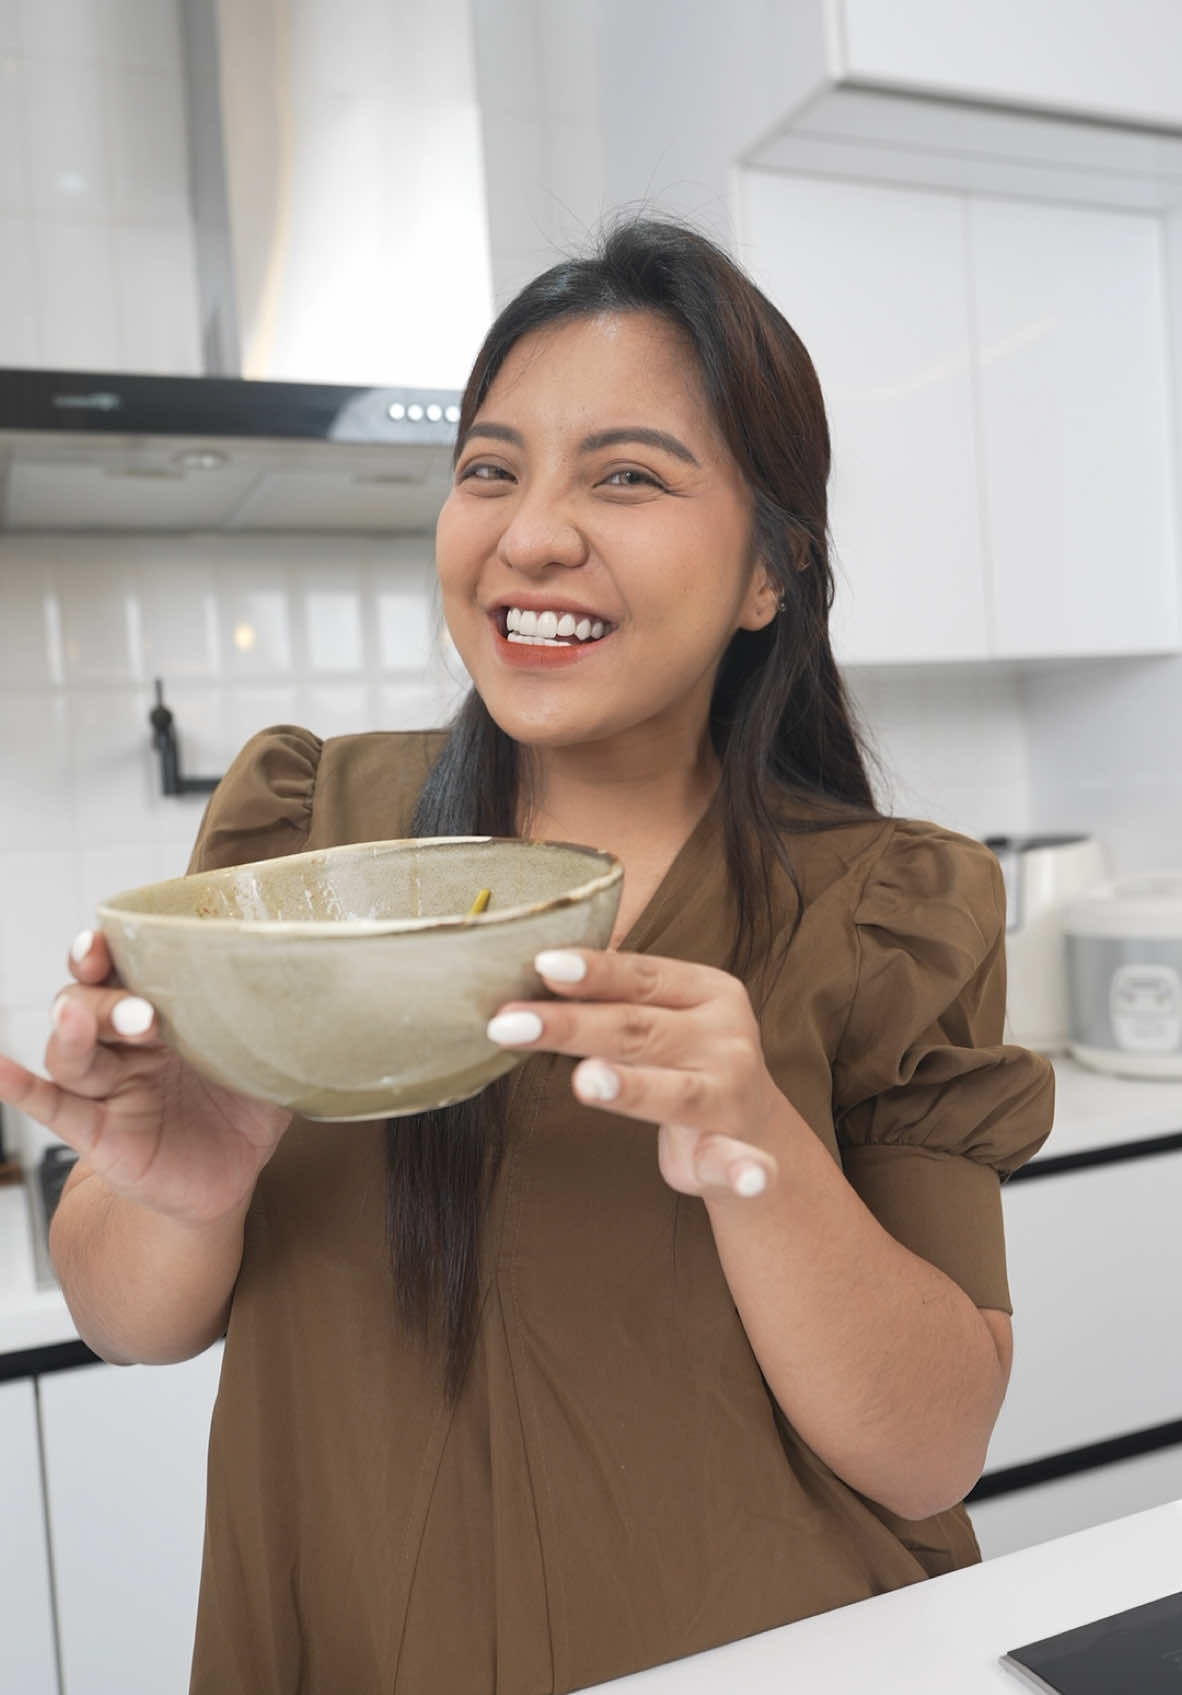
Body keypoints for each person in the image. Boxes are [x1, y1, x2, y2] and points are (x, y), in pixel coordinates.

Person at [0, 216, 1054, 1695]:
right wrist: (185, 1194)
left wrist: (761, 1151)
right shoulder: (300, 845)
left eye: (625, 475)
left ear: (768, 574)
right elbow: (131, 1319)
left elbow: (931, 1443)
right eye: (490, 469)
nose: (529, 532)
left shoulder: (889, 906)